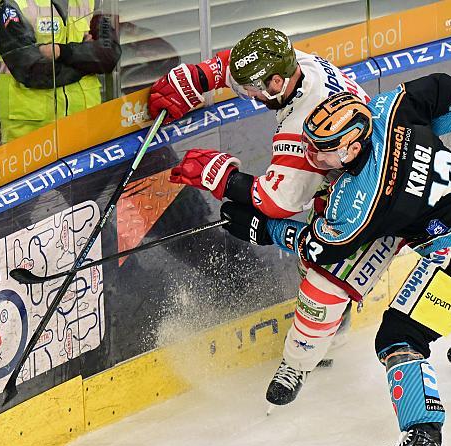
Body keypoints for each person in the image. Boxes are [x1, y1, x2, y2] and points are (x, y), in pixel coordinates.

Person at [219, 75, 451, 446]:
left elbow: (318, 247)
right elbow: (447, 89)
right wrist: (435, 146)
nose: (314, 159)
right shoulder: (387, 110)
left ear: (353, 146)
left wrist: (263, 228)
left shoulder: (358, 202)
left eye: (324, 153)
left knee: (400, 335)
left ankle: (423, 438)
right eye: (311, 145)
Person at [148, 28, 398, 408]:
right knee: (445, 266)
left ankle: (298, 363)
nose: (247, 95)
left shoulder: (303, 122)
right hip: (371, 170)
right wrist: (203, 77)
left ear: (277, 81)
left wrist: (220, 177)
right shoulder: (302, 66)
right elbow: (245, 68)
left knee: (322, 283)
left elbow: (278, 203)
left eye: (253, 90)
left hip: (368, 205)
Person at [0, 0, 120, 143]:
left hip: (85, 125)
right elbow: (33, 70)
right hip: (32, 134)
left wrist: (61, 52)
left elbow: (109, 54)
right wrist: (87, 60)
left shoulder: (90, 1)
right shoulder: (13, 4)